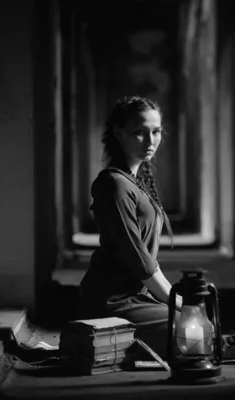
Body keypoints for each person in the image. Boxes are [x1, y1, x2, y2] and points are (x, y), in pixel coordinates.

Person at [77, 95, 182, 358]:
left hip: (137, 297)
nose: (150, 141)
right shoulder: (114, 184)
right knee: (193, 330)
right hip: (111, 302)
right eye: (140, 132)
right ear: (118, 133)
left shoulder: (134, 182)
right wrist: (178, 301)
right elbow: (139, 260)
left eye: (156, 132)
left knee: (201, 327)